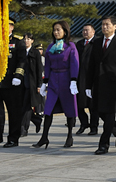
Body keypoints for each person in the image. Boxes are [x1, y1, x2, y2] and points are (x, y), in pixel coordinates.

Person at [86, 15, 116, 155]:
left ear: (115, 26)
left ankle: (103, 144)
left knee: (109, 115)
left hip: (114, 84)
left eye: (107, 24)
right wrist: (88, 85)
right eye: (102, 24)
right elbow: (91, 65)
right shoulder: (96, 43)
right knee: (100, 112)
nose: (104, 27)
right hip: (98, 84)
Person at [33, 21, 79, 149]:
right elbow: (47, 65)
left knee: (69, 110)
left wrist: (74, 80)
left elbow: (74, 63)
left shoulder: (70, 46)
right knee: (48, 110)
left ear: (65, 31)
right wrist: (45, 82)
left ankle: (70, 136)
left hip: (66, 80)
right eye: (54, 30)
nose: (56, 32)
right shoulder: (50, 47)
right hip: (53, 80)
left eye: (58, 30)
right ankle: (44, 137)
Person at [0, 19, 26, 148]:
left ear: (11, 27)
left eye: (5, 25)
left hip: (11, 82)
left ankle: (13, 138)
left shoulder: (17, 42)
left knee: (14, 112)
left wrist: (18, 75)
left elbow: (22, 60)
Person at [75, 23, 98, 135]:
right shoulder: (79, 44)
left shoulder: (97, 43)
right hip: (80, 77)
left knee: (93, 105)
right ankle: (84, 123)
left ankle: (94, 127)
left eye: (87, 30)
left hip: (93, 78)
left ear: (93, 32)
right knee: (79, 103)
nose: (85, 32)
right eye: (83, 30)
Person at [21, 32, 44, 138]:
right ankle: (36, 120)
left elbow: (39, 69)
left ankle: (24, 129)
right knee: (23, 106)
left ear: (32, 41)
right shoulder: (20, 51)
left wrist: (39, 84)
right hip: (21, 83)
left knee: (26, 106)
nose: (26, 41)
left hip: (32, 83)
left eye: (29, 39)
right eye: (25, 39)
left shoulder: (35, 53)